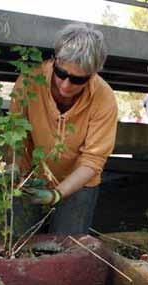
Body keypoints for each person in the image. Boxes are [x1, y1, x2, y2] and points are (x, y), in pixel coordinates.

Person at [10, 23, 118, 234]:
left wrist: (57, 194)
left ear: (93, 74)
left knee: (68, 246)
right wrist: (13, 168)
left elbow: (93, 161)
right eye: (61, 73)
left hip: (80, 182)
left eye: (78, 79)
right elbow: (16, 136)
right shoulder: (29, 82)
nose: (66, 86)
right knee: (17, 240)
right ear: (56, 60)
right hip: (32, 177)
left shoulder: (104, 98)